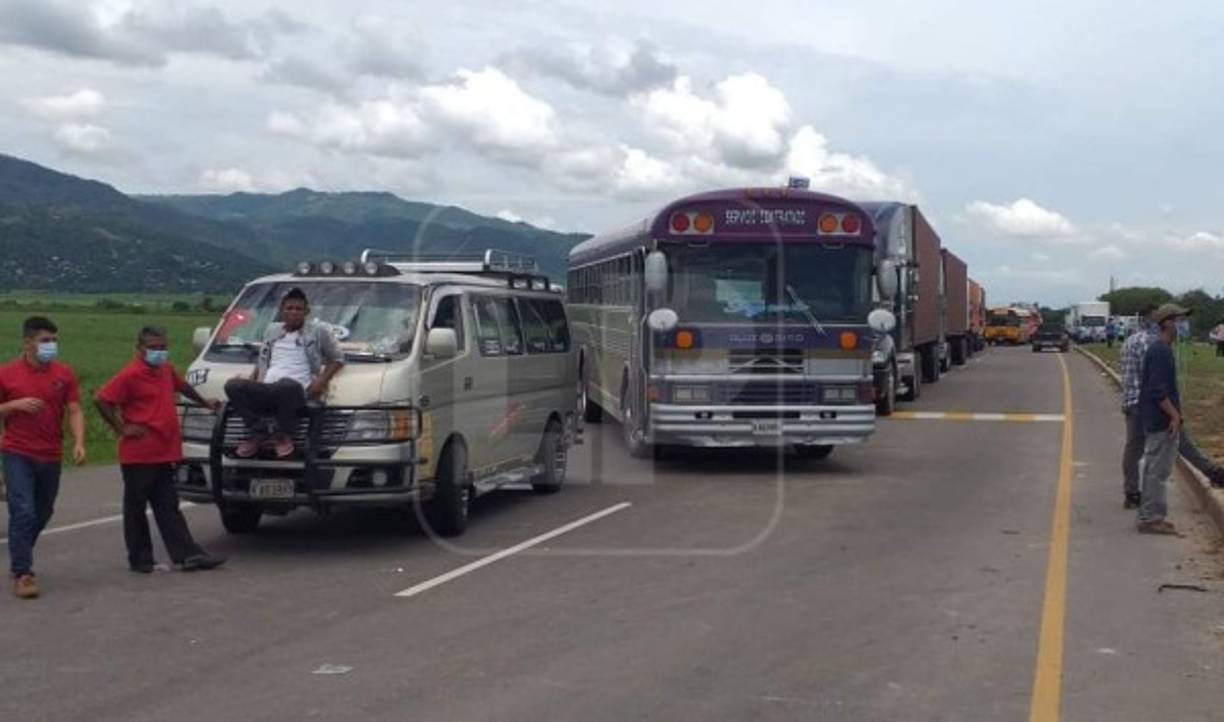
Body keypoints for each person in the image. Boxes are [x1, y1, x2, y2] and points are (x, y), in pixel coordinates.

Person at [96, 326, 226, 573]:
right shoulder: (131, 374)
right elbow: (103, 399)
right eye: (153, 348)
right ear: (140, 349)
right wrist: (122, 428)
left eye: (163, 347)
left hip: (165, 451)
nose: (159, 352)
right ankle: (141, 559)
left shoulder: (165, 370)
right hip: (139, 454)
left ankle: (187, 555)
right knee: (136, 508)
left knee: (168, 506)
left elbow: (183, 387)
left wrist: (204, 403)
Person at [0, 316, 86, 599]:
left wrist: (79, 442)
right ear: (28, 343)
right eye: (45, 341)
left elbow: (74, 410)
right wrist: (13, 405)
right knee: (23, 510)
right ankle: (23, 572)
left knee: (42, 511)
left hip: (50, 453)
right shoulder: (7, 374)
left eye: (54, 341)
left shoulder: (64, 374)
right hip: (17, 452)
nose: (51, 346)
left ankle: (19, 549)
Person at [224, 288, 343, 458]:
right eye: (289, 308)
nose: (294, 312)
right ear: (281, 310)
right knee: (233, 386)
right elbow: (263, 358)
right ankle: (258, 432)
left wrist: (321, 381)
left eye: (298, 309)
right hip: (268, 387)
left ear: (306, 312)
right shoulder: (272, 330)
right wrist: (252, 381)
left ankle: (281, 435)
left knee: (286, 385)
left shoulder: (317, 332)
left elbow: (338, 358)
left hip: (297, 390)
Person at [1136, 304, 1192, 535]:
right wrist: (1174, 415)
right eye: (1180, 320)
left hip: (1156, 418)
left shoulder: (1161, 349)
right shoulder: (1161, 351)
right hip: (1161, 420)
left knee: (1154, 470)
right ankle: (1151, 518)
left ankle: (1150, 515)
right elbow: (1157, 390)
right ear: (1168, 322)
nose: (1183, 325)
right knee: (1158, 472)